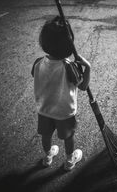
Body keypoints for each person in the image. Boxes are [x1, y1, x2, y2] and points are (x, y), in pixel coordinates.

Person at [31, 16, 91, 169]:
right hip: (64, 111)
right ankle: (70, 160)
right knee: (68, 136)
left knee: (46, 135)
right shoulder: (68, 66)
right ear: (69, 45)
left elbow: (35, 75)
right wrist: (87, 68)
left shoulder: (38, 62)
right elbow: (83, 86)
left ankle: (47, 157)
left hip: (44, 109)